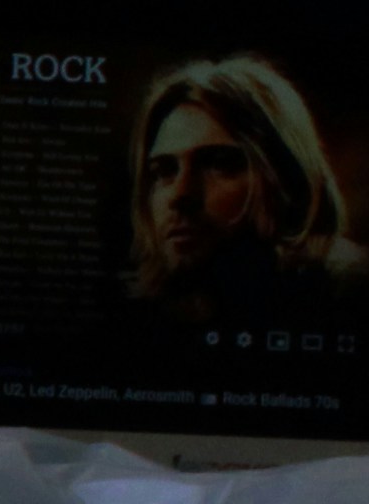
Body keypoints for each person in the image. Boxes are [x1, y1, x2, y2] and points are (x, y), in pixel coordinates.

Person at [122, 54, 369, 333]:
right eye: (164, 170)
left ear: (287, 176)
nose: (180, 194)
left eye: (218, 163)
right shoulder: (146, 314)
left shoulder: (352, 291)